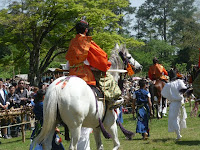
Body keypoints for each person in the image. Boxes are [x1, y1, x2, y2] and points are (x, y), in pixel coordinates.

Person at [65, 18, 123, 109]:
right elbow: (100, 58)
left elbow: (68, 61)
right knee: (108, 78)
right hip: (84, 74)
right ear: (86, 30)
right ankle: (112, 100)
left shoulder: (72, 42)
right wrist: (104, 65)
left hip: (71, 73)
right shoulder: (87, 42)